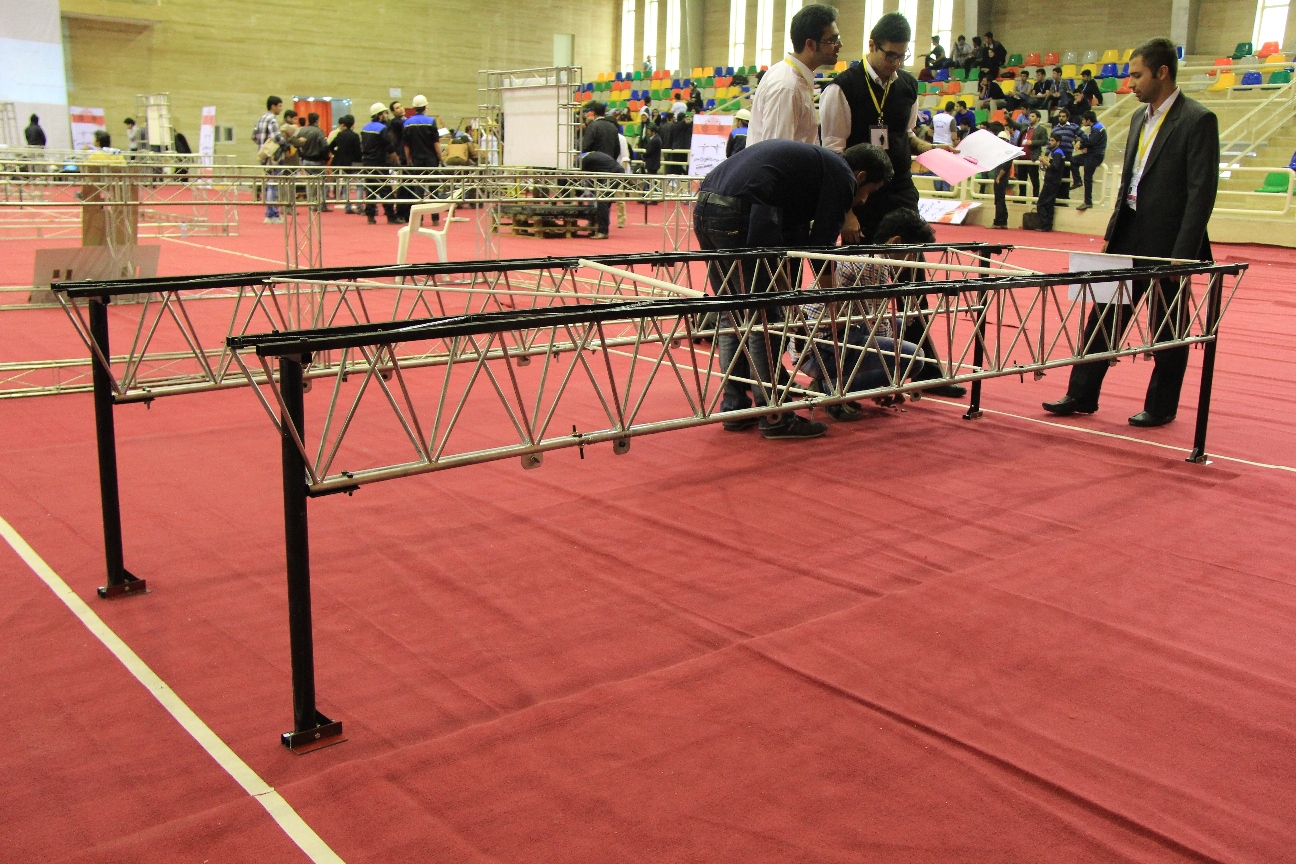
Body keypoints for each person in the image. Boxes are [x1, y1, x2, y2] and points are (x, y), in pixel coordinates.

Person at [1044, 38, 1218, 426]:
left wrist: (1183, 254)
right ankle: (1081, 393)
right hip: (1128, 234)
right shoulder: (1139, 117)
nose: (1130, 84)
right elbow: (1129, 184)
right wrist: (1111, 234)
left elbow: (1201, 194)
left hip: (1169, 244)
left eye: (1137, 75)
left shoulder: (1198, 119)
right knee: (1102, 317)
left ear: (1162, 72)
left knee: (1167, 327)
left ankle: (1161, 406)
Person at [693, 139, 891, 439]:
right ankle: (774, 416)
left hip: (707, 207)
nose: (864, 200)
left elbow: (786, 253)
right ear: (860, 176)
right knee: (763, 318)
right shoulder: (841, 176)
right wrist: (832, 303)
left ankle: (735, 408)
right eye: (870, 191)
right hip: (740, 212)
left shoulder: (811, 171)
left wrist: (793, 303)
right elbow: (821, 250)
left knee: (733, 312)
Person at [820, 10, 965, 399]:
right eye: (890, 55)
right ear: (872, 45)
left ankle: (925, 368)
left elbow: (905, 134)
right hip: (860, 194)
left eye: (902, 56)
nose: (896, 63)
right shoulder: (841, 89)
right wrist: (847, 210)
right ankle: (857, 370)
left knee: (912, 279)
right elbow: (833, 153)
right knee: (863, 285)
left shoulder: (907, 86)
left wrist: (932, 149)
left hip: (900, 189)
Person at [801, 207, 932, 414]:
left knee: (897, 326)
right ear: (896, 242)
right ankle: (830, 390)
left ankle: (839, 383)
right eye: (913, 253)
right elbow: (878, 329)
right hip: (820, 351)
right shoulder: (875, 267)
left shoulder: (866, 256)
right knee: (914, 358)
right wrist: (888, 381)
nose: (914, 262)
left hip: (818, 341)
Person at [747, 3, 840, 145]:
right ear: (810, 45)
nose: (839, 45)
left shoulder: (795, 78)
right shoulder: (786, 86)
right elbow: (776, 152)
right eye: (832, 40)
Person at [360, 102, 397, 225]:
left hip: (367, 163)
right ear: (380, 115)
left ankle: (370, 216)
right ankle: (391, 216)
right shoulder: (382, 128)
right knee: (385, 189)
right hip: (380, 163)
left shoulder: (365, 128)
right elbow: (389, 146)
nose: (386, 115)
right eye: (385, 113)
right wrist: (396, 159)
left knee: (370, 190)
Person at [253, 96, 284, 222]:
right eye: (280, 106)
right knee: (273, 184)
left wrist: (263, 144)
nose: (281, 109)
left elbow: (253, 136)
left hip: (263, 155)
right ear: (273, 106)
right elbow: (277, 137)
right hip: (272, 157)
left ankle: (270, 213)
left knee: (268, 184)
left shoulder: (261, 119)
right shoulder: (272, 120)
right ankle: (272, 215)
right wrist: (285, 144)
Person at [580, 150, 619, 239]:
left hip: (613, 174)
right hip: (613, 173)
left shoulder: (582, 160)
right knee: (605, 202)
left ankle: (603, 231)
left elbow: (576, 176)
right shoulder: (589, 155)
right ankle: (601, 227)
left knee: (602, 201)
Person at [328, 115, 362, 213]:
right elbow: (358, 151)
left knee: (346, 184)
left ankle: (347, 206)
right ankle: (359, 206)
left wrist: (336, 153)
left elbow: (330, 146)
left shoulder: (340, 135)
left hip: (342, 162)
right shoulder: (355, 136)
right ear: (353, 124)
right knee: (359, 184)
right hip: (354, 162)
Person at [1074, 110, 1106, 210]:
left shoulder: (1097, 128)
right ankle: (1077, 181)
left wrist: (1080, 145)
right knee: (1074, 160)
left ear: (1088, 120)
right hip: (1091, 154)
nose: (1082, 121)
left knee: (1087, 177)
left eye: (1083, 119)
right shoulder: (1096, 127)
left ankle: (1088, 202)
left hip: (1095, 155)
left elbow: (1090, 143)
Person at [1034, 132, 1065, 231]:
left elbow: (1055, 167)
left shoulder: (1057, 153)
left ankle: (1045, 224)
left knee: (1041, 203)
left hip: (1052, 181)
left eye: (1052, 140)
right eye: (1050, 140)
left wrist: (1044, 162)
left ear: (1058, 142)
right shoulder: (1056, 152)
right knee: (1049, 204)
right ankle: (1048, 225)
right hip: (1053, 181)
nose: (1050, 142)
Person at [1019, 109, 1048, 198]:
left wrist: (1032, 142)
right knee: (1021, 179)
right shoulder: (1025, 127)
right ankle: (1021, 197)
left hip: (1032, 158)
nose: (1030, 118)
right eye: (1029, 116)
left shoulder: (1042, 129)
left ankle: (1035, 197)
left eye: (1032, 116)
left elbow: (1044, 141)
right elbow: (1015, 125)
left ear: (1038, 118)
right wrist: (1008, 118)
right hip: (1021, 157)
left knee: (1034, 179)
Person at [1051, 108, 1080, 195]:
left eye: (1063, 116)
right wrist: (1046, 154)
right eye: (1060, 116)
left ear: (1067, 117)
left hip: (1067, 154)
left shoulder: (1073, 127)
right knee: (1056, 176)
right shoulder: (1055, 128)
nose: (1061, 118)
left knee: (1065, 176)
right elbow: (1050, 142)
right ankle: (1056, 196)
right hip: (1056, 154)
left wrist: (1078, 141)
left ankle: (1065, 196)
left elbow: (1082, 136)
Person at [992, 129, 1013, 228]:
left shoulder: (1008, 152)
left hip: (1001, 178)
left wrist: (998, 177)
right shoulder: (1002, 151)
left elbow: (1006, 166)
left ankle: (998, 221)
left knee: (999, 200)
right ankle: (1003, 221)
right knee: (1000, 200)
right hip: (1000, 177)